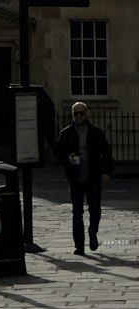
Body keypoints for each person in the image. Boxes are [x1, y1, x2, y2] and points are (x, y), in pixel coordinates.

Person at [54, 101, 113, 254]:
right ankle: (79, 245)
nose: (79, 116)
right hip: (75, 178)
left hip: (93, 177)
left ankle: (93, 232)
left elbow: (107, 153)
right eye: (76, 113)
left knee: (95, 210)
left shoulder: (96, 133)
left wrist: (107, 172)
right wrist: (68, 158)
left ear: (87, 114)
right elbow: (58, 153)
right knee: (77, 212)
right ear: (72, 115)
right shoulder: (66, 133)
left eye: (82, 113)